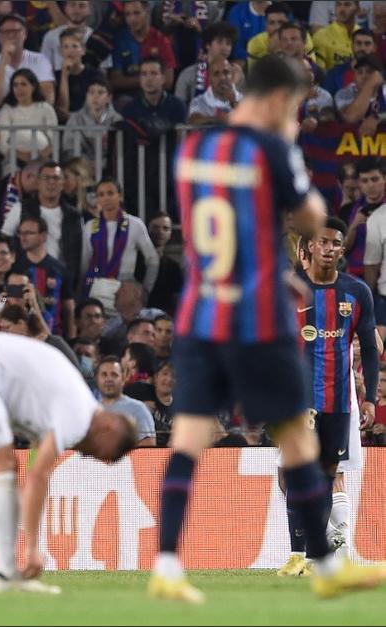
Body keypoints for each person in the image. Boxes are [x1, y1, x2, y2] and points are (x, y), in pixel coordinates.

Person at [150, 55, 384, 603]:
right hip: (255, 318)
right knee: (298, 440)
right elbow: (310, 216)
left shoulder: (192, 150)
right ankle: (328, 569)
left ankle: (165, 564)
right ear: (280, 99)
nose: (296, 119)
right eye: (297, 108)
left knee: (187, 441)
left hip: (199, 313)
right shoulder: (271, 150)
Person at [0, 333, 136, 592]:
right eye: (104, 454)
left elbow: (34, 472)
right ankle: (7, 575)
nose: (91, 458)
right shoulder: (79, 415)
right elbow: (37, 477)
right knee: (3, 467)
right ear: (109, 427)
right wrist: (32, 548)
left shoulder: (69, 402)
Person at [277, 217, 379, 577]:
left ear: (341, 248)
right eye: (324, 242)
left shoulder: (356, 292)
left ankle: (318, 555)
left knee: (325, 476)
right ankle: (296, 554)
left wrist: (368, 398)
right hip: (297, 398)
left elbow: (369, 347)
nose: (330, 248)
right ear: (310, 247)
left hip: (338, 400)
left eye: (337, 243)